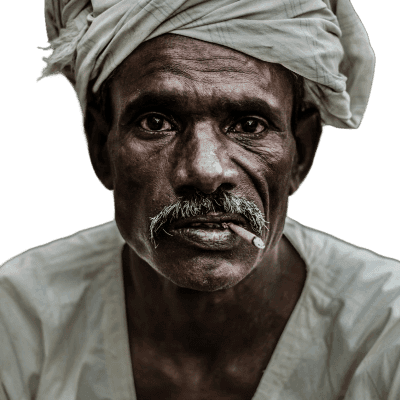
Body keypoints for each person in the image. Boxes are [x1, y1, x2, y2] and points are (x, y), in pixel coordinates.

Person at [1, 1, 399, 399]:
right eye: (156, 122)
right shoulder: (20, 322)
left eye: (248, 125)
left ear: (303, 150)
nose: (205, 172)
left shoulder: (385, 333)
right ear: (101, 146)